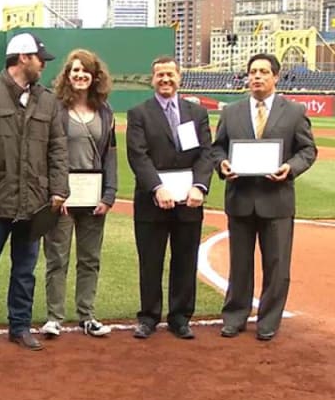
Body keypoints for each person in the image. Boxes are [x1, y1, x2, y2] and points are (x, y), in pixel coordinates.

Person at [0, 32, 68, 353]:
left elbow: (58, 148)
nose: (43, 66)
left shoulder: (47, 100)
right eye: (38, 59)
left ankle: (20, 326)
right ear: (22, 58)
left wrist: (59, 188)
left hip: (33, 201)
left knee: (25, 271)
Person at [213, 53, 317, 340]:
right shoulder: (231, 112)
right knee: (240, 264)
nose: (257, 77)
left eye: (263, 72)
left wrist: (290, 167)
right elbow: (217, 148)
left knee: (277, 265)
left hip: (277, 199)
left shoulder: (294, 111)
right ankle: (234, 317)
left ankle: (269, 321)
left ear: (276, 77)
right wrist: (222, 165)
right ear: (247, 77)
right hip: (241, 199)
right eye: (252, 72)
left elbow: (307, 150)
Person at [126, 56, 213, 340]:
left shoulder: (196, 113)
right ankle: (148, 317)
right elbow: (138, 155)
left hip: (189, 200)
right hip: (152, 200)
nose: (165, 80)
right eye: (160, 75)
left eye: (170, 75)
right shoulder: (139, 113)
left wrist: (200, 186)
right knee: (150, 260)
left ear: (180, 77)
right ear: (152, 79)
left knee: (185, 259)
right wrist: (156, 187)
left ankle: (180, 317)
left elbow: (205, 153)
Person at [39, 49, 117, 340]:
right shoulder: (55, 107)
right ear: (67, 76)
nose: (80, 75)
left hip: (93, 195)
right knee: (57, 258)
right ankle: (54, 317)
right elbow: (46, 153)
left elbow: (110, 155)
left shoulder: (105, 110)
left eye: (85, 71)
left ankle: (87, 315)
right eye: (75, 71)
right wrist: (55, 191)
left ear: (95, 76)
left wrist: (109, 194)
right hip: (63, 196)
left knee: (90, 259)